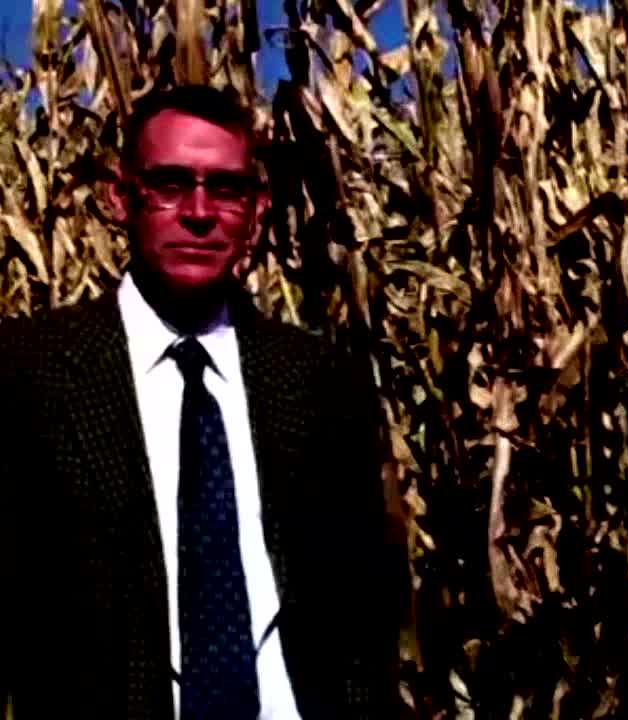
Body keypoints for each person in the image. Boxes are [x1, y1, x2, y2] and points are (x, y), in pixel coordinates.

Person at [0, 85, 403, 718]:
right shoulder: (27, 371)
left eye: (226, 188)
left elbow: (359, 611)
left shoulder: (323, 381)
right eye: (169, 184)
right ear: (119, 197)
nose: (198, 212)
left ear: (257, 209)